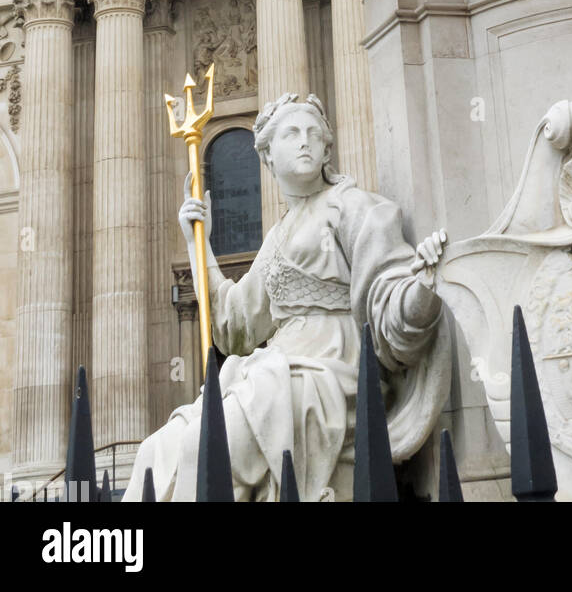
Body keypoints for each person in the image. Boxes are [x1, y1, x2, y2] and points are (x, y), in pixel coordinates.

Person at [123, 93, 449, 500]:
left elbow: (389, 298)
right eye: (292, 133)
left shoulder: (353, 207)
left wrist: (421, 290)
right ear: (268, 157)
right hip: (276, 368)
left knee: (203, 447)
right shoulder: (277, 237)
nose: (305, 142)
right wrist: (197, 243)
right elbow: (235, 327)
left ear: (328, 148)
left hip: (331, 368)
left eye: (315, 134)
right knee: (157, 450)